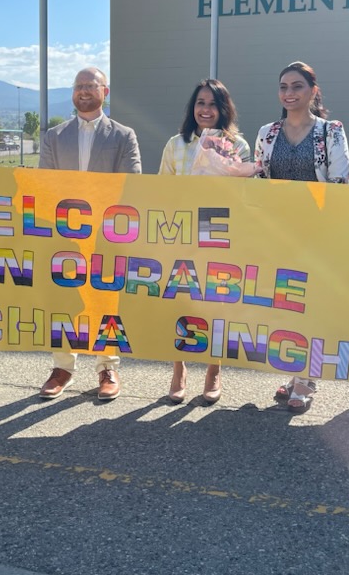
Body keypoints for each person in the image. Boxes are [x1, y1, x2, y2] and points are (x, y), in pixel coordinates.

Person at [38, 67, 142, 401]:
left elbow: (130, 184)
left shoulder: (123, 136)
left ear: (105, 91)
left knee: (105, 300)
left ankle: (107, 367)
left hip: (107, 234)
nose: (84, 91)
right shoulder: (53, 137)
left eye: (90, 85)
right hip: (64, 235)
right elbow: (45, 186)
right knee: (64, 300)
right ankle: (63, 367)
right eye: (78, 86)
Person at [254, 61, 349, 413]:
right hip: (278, 232)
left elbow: (340, 184)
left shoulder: (331, 132)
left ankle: (308, 379)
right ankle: (295, 372)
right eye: (283, 87)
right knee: (286, 305)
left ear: (313, 91)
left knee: (312, 305)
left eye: (297, 86)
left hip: (317, 232)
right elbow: (259, 181)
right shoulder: (267, 132)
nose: (289, 93)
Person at [159, 79, 251, 405]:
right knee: (180, 302)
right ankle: (179, 369)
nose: (206, 110)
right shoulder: (175, 144)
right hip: (181, 234)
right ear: (192, 108)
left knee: (216, 303)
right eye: (200, 103)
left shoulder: (237, 145)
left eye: (213, 104)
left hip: (219, 236)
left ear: (223, 109)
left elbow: (243, 195)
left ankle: (214, 369)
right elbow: (162, 192)